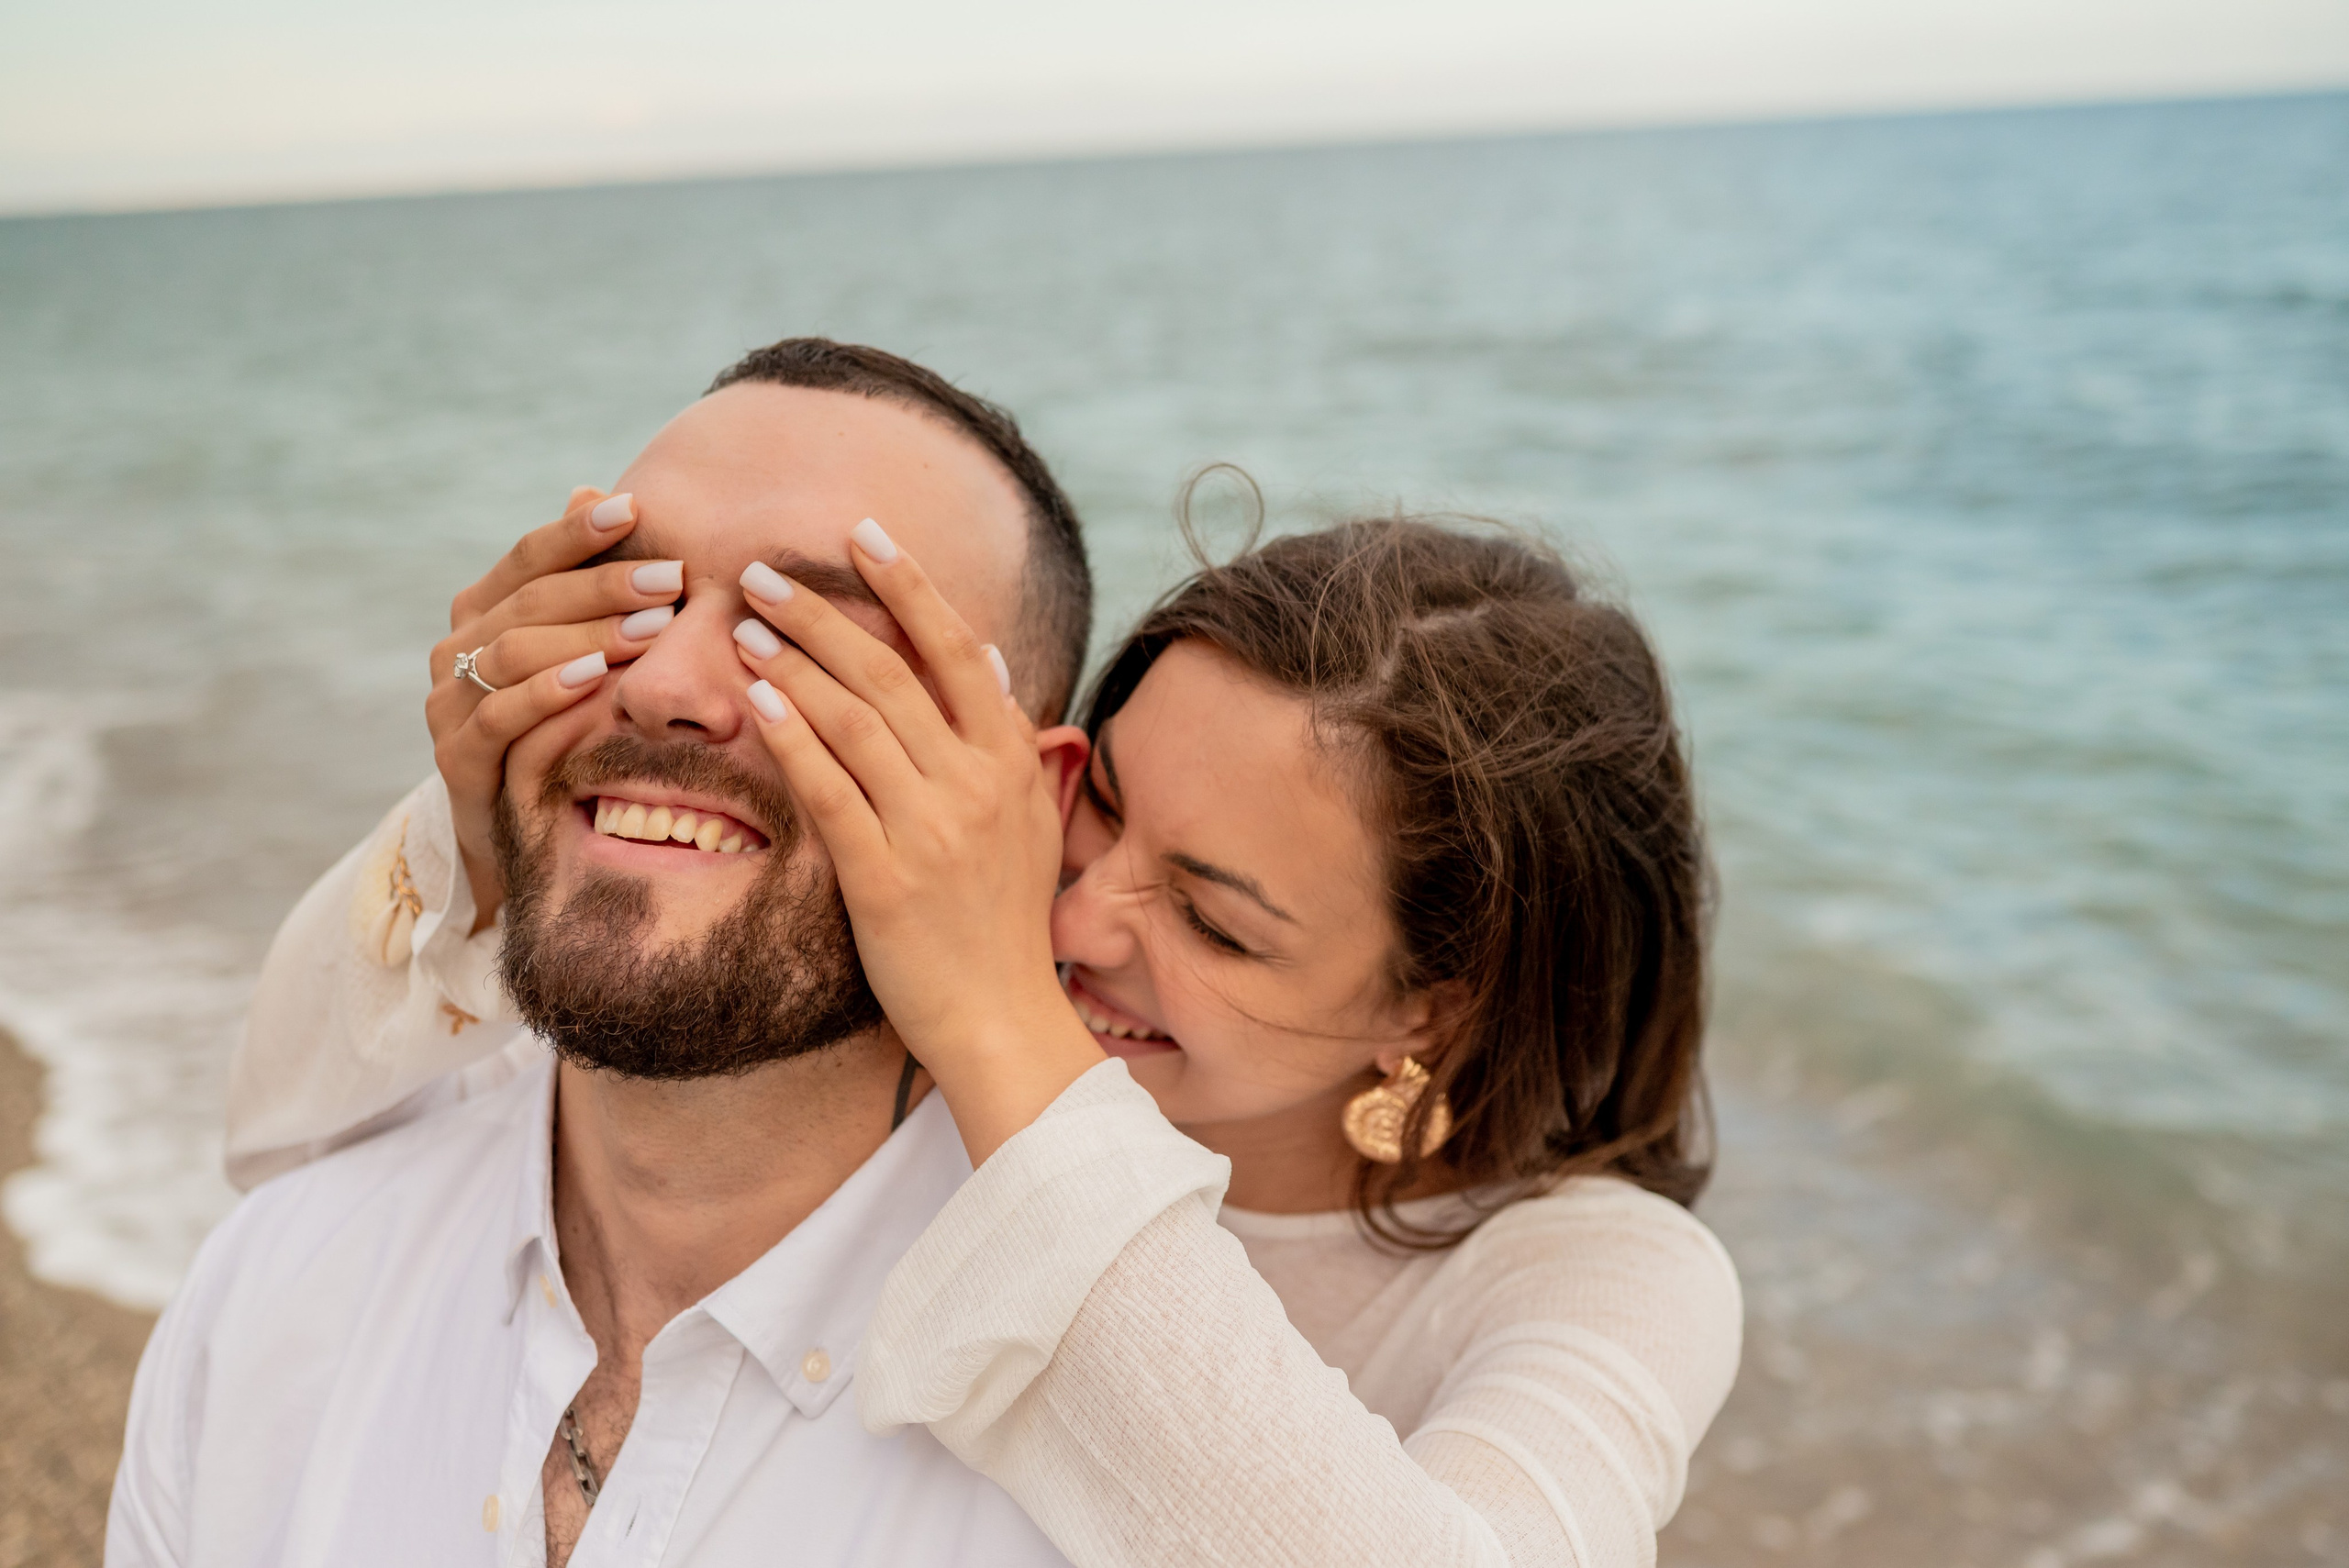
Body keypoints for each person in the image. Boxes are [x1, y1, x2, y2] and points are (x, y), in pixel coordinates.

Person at [208, 467, 1742, 1560]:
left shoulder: (1597, 1275)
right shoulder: (918, 1050)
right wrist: (478, 822)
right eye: (1101, 811)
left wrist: (1004, 1033)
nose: (1072, 920)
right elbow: (282, 1145)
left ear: (1435, 1007)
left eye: (1213, 920)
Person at [107, 339, 1099, 1568]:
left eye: (807, 641)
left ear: (1034, 808)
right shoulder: (270, 1291)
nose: (667, 683)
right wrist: (471, 693)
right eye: (632, 599)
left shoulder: (1106, 1462)